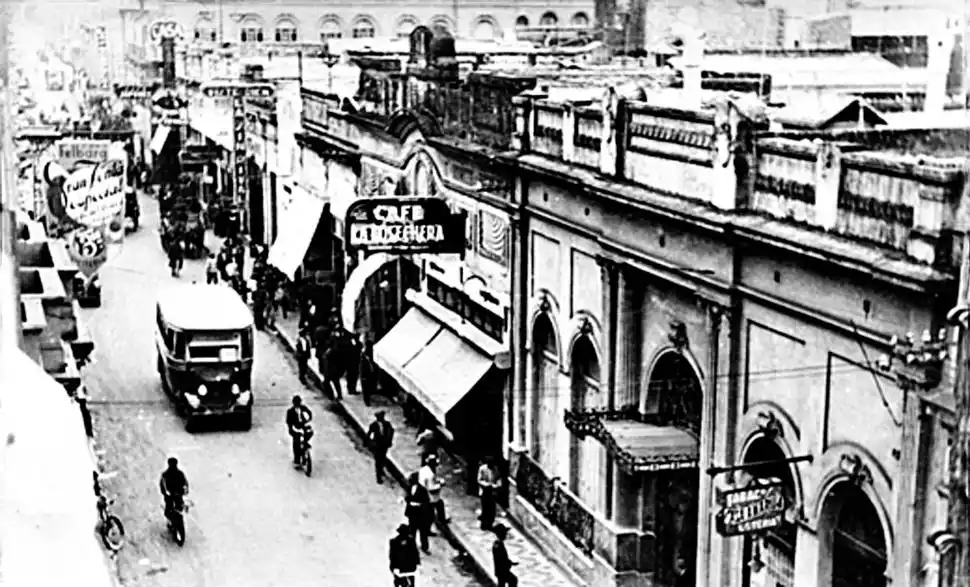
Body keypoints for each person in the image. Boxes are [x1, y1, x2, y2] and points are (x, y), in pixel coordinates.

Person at [403, 471, 431, 553]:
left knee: (423, 533)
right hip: (412, 514)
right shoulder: (409, 487)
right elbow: (407, 497)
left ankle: (425, 547)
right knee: (412, 532)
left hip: (420, 514)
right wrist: (408, 502)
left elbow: (426, 502)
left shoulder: (422, 489)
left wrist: (418, 505)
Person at [418, 455, 448, 525]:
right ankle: (442, 520)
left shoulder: (424, 469)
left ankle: (440, 520)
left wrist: (437, 481)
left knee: (432, 511)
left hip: (422, 493)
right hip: (430, 497)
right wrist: (440, 485)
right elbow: (431, 489)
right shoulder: (430, 474)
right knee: (438, 505)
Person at [285, 395, 313, 467]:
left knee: (310, 432)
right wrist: (291, 428)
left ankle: (305, 444)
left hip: (303, 426)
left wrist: (308, 419)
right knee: (296, 443)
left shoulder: (303, 408)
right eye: (296, 402)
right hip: (295, 428)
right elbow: (288, 422)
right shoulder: (290, 411)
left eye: (299, 402)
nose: (298, 404)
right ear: (293, 403)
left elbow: (309, 414)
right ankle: (297, 460)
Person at [368, 411, 394, 484]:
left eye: (382, 416)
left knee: (382, 458)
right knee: (377, 461)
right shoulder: (373, 425)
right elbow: (369, 434)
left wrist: (390, 440)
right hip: (377, 445)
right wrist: (370, 443)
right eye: (380, 417)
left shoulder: (387, 424)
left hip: (384, 445)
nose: (381, 418)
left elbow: (392, 431)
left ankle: (381, 470)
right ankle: (378, 477)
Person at [477, 457, 500, 530]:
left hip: (492, 492)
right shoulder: (482, 469)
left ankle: (490, 523)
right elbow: (479, 480)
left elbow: (498, 478)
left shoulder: (495, 469)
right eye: (490, 463)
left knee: (492, 508)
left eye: (492, 463)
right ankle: (485, 522)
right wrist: (487, 485)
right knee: (485, 507)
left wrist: (497, 485)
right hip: (484, 492)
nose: (491, 464)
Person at [359, 340, 377, 406]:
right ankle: (367, 401)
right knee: (365, 389)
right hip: (365, 374)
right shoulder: (363, 354)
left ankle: (368, 399)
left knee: (367, 388)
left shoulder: (369, 353)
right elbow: (361, 367)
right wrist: (362, 376)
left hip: (369, 373)